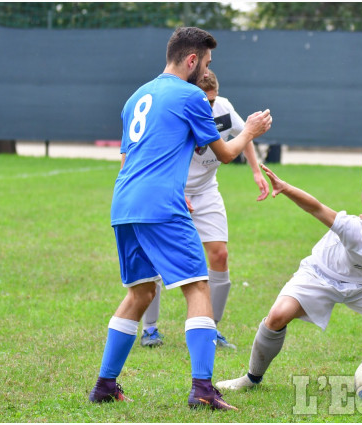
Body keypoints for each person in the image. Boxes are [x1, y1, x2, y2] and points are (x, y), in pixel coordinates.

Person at [88, 27, 272, 410]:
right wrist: (251, 130)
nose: (206, 69)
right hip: (161, 205)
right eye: (205, 62)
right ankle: (203, 389)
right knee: (197, 288)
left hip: (124, 204)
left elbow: (128, 159)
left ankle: (105, 385)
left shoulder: (137, 96)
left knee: (141, 292)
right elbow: (224, 153)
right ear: (192, 60)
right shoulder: (190, 95)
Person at [216, 164, 362, 397]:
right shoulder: (355, 231)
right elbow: (316, 208)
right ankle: (251, 378)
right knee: (277, 316)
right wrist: (285, 188)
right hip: (321, 275)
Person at [139, 69, 269, 349]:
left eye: (212, 100)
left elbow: (242, 135)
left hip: (207, 190)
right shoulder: (177, 111)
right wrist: (173, 191)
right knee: (155, 259)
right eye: (204, 101)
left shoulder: (222, 107)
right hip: (173, 190)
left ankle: (211, 328)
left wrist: (256, 172)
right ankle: (150, 329)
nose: (209, 107)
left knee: (220, 256)